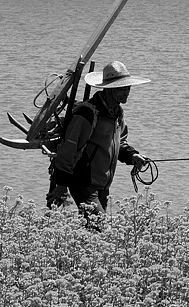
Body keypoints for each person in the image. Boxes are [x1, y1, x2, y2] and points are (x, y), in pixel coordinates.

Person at [47, 60, 152, 213]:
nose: (127, 92)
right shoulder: (87, 114)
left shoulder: (117, 113)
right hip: (83, 183)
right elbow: (68, 149)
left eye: (128, 87)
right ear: (109, 90)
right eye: (122, 88)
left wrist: (132, 156)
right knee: (100, 225)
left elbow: (119, 142)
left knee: (94, 226)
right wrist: (61, 185)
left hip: (102, 185)